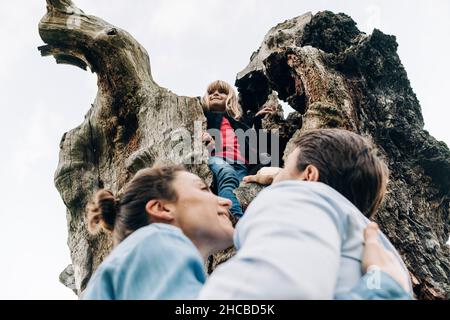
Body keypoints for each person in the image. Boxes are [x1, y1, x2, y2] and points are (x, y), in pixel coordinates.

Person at [82, 163, 411, 300]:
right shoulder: (155, 243)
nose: (224, 202)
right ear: (162, 208)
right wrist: (384, 285)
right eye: (202, 188)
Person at [198, 128, 413, 299]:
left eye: (285, 165)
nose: (280, 175)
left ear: (309, 175)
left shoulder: (301, 201)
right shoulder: (381, 257)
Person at [201, 80, 276, 219]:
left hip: (240, 164)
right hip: (218, 158)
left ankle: (244, 218)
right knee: (228, 176)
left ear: (230, 99)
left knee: (241, 191)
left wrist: (256, 118)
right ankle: (234, 218)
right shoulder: (206, 118)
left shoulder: (234, 122)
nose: (216, 94)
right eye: (211, 92)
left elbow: (247, 130)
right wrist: (208, 143)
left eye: (222, 92)